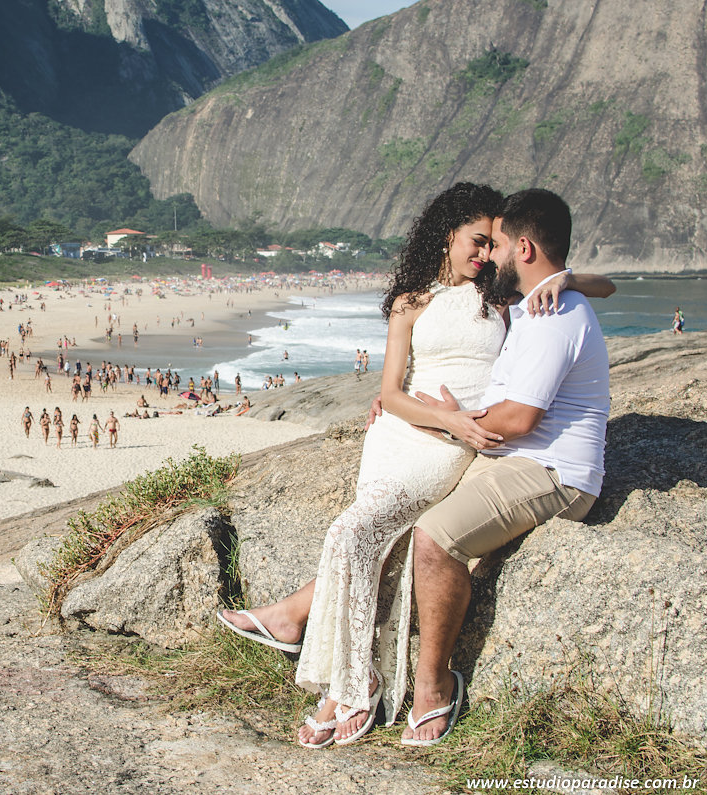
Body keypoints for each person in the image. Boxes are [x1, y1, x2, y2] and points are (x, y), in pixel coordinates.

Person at [217, 184, 614, 750]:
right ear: (446, 234)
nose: (485, 254)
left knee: (363, 531)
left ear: (517, 249)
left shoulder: (505, 297)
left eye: (493, 244)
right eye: (478, 241)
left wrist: (566, 279)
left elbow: (597, 286)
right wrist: (407, 407)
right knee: (379, 534)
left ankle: (341, 673)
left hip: (467, 441)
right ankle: (338, 666)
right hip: (415, 435)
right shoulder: (414, 301)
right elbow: (393, 387)